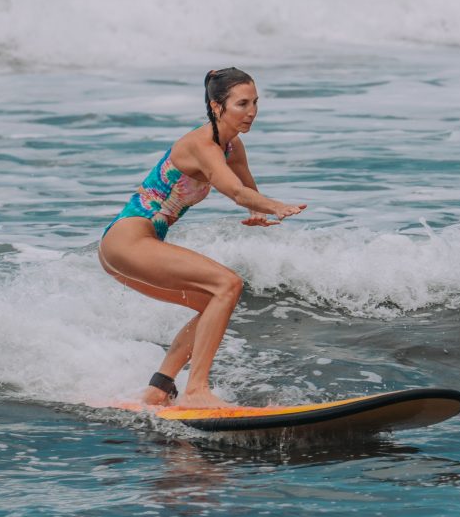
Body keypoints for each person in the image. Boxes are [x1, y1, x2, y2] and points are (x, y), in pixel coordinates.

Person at [99, 68, 307, 407]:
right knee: (228, 284)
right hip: (128, 240)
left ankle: (159, 387)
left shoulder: (231, 147)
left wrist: (258, 211)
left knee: (212, 302)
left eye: (255, 102)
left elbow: (247, 190)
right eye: (242, 104)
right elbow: (235, 193)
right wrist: (276, 207)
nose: (252, 112)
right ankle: (196, 390)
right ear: (216, 106)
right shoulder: (202, 145)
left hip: (130, 246)